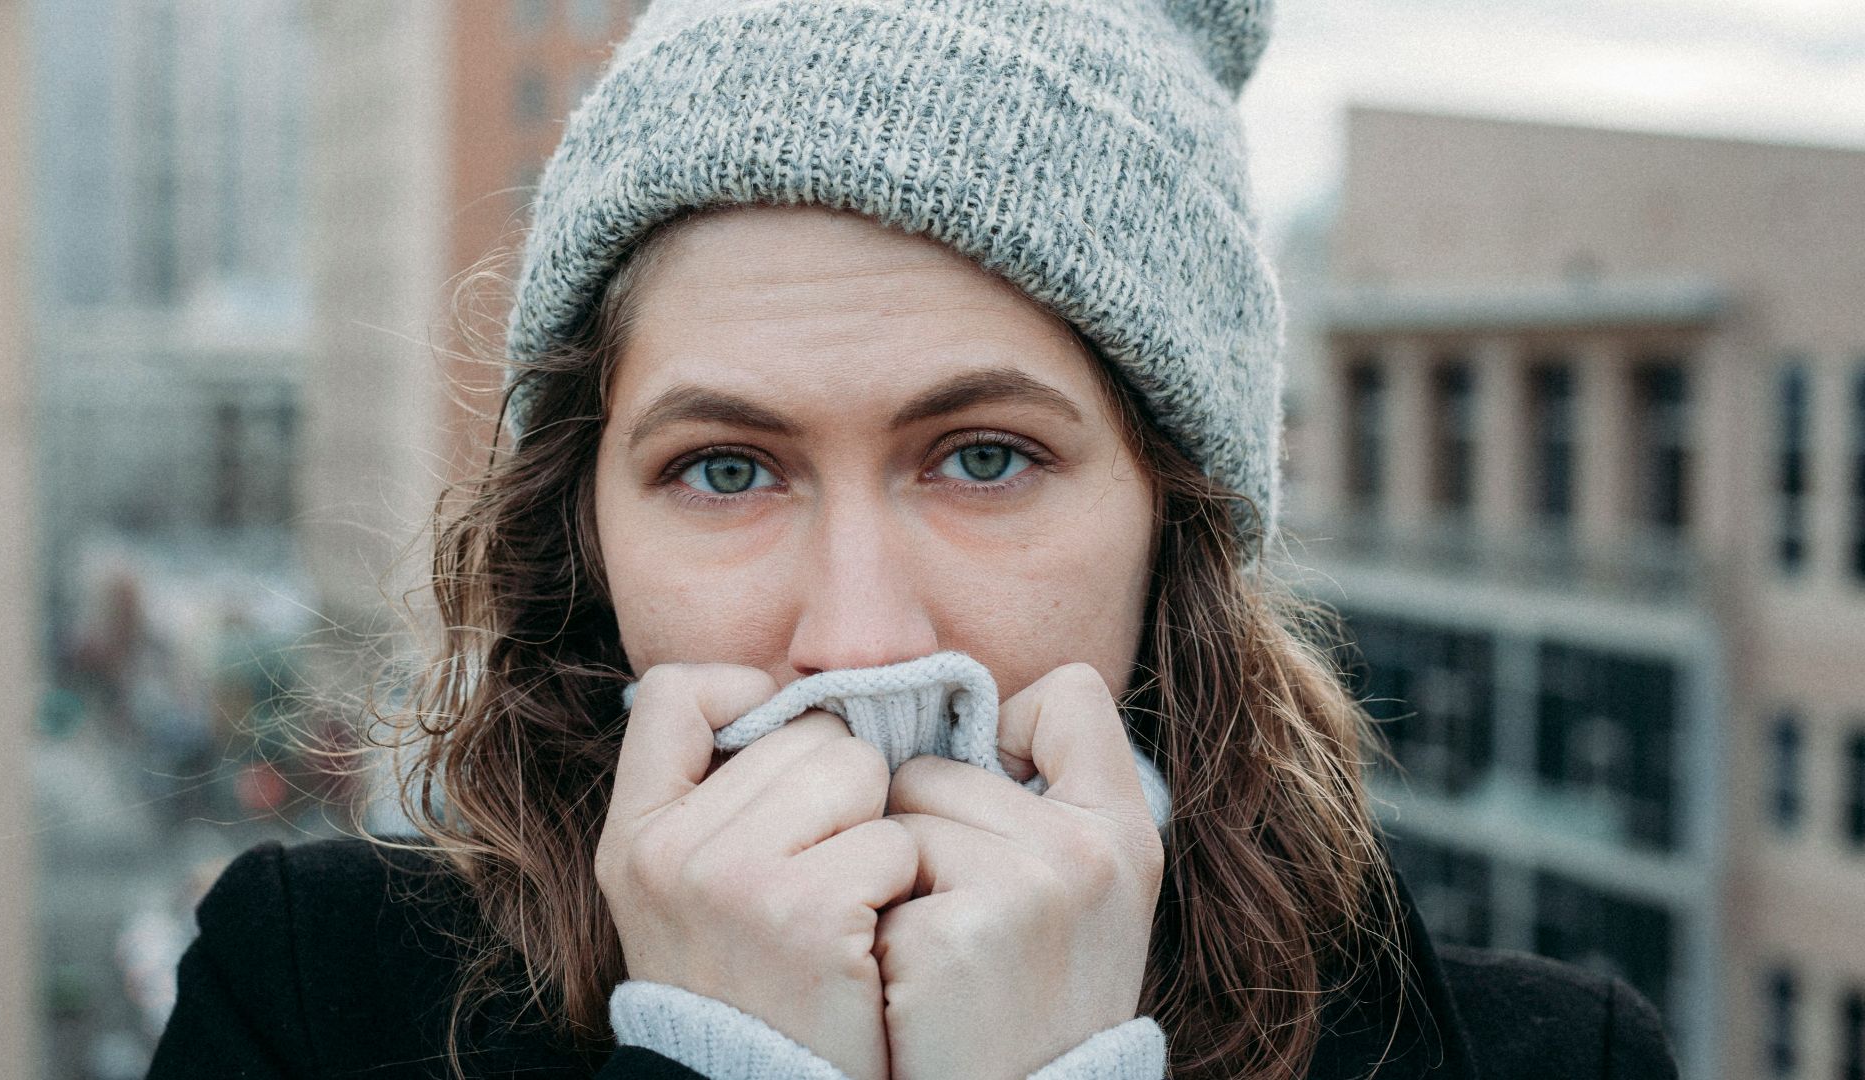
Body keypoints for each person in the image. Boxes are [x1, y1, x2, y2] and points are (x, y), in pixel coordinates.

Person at [148, 1, 1683, 1078]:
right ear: (584, 530)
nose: (863, 640)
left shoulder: (1546, 1057)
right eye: (728, 470)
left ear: (1179, 520)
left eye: (986, 457)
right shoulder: (307, 995)